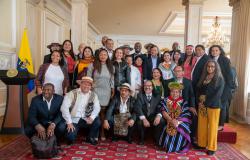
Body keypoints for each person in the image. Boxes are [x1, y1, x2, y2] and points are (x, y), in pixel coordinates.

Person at [59, 76, 101, 145]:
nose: (86, 86)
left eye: (88, 85)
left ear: (91, 86)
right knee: (70, 137)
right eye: (84, 84)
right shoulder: (72, 93)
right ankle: (70, 135)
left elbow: (97, 108)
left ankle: (90, 137)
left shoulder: (93, 95)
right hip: (73, 120)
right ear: (80, 84)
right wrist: (69, 122)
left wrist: (92, 117)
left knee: (97, 121)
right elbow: (64, 108)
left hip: (85, 119)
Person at [196, 60, 225, 155]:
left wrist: (205, 103)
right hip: (201, 104)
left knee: (212, 126)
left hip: (213, 105)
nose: (210, 68)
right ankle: (202, 144)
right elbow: (198, 90)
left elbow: (217, 95)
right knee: (202, 125)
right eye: (208, 66)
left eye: (212, 66)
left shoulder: (219, 79)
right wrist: (199, 102)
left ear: (216, 68)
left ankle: (212, 147)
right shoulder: (204, 77)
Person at [87, 48, 115, 141]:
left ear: (107, 56)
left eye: (105, 55)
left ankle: (102, 132)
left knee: (103, 112)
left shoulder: (111, 66)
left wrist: (112, 90)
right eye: (101, 54)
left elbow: (112, 80)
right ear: (98, 56)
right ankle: (95, 133)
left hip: (106, 91)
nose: (103, 56)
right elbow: (88, 78)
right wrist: (90, 88)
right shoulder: (92, 65)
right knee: (95, 112)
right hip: (95, 91)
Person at [159, 82, 192, 153]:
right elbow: (163, 111)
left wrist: (177, 122)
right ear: (170, 92)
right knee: (168, 127)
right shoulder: (165, 100)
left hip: (180, 121)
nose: (175, 94)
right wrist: (171, 120)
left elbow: (186, 114)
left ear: (180, 93)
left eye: (177, 92)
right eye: (173, 92)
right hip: (168, 120)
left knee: (183, 127)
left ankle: (180, 146)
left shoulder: (183, 102)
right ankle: (169, 146)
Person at [208, 45, 234, 131]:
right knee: (214, 105)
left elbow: (229, 75)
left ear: (220, 51)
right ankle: (214, 122)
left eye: (216, 50)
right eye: (212, 50)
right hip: (213, 86)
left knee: (222, 105)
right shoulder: (209, 60)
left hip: (224, 86)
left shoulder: (225, 60)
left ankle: (221, 125)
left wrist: (228, 88)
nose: (214, 52)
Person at [136, 80, 164, 145]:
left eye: (149, 86)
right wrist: (144, 119)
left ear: (152, 87)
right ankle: (142, 139)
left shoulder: (157, 96)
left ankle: (157, 139)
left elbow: (160, 107)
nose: (147, 87)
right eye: (145, 86)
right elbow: (138, 107)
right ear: (143, 87)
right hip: (144, 115)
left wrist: (158, 116)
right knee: (139, 122)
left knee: (161, 121)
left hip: (153, 116)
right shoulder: (140, 95)